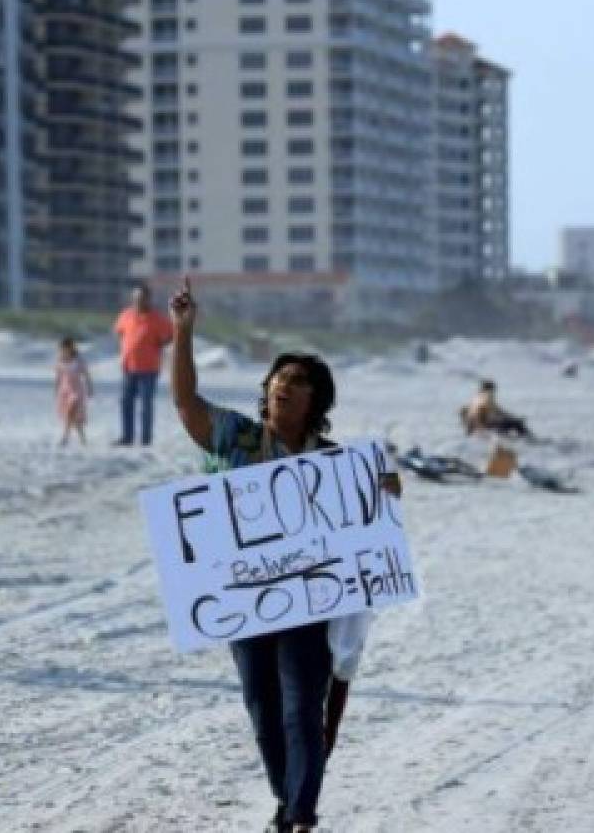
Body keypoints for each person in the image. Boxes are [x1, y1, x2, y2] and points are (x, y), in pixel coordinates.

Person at [168, 278, 396, 833]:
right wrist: (183, 332)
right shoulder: (235, 439)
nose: (284, 388)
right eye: (279, 379)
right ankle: (288, 800)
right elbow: (184, 401)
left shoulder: (332, 460)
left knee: (302, 711)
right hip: (245, 599)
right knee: (264, 712)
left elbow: (377, 500)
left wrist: (383, 487)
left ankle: (300, 815)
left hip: (309, 601)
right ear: (265, 387)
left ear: (316, 400)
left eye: (298, 383)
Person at [113, 283, 173, 446]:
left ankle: (146, 439)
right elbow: (119, 333)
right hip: (128, 367)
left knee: (146, 405)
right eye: (136, 298)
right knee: (125, 402)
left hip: (148, 369)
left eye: (142, 298)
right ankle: (127, 437)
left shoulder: (158, 319)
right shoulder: (125, 315)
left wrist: (157, 344)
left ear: (148, 299)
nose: (138, 301)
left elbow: (169, 337)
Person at [460, 379, 534, 440]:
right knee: (517, 423)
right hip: (486, 426)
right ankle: (529, 439)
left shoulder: (477, 398)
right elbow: (494, 413)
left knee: (512, 422)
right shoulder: (487, 397)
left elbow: (497, 411)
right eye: (493, 390)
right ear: (490, 389)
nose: (494, 392)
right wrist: (513, 419)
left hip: (479, 427)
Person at [54, 336, 94, 446]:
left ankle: (65, 437)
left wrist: (90, 387)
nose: (64, 350)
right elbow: (58, 376)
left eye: (66, 348)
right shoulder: (59, 359)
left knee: (71, 411)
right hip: (65, 390)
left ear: (71, 347)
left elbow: (86, 375)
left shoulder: (79, 359)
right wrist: (56, 389)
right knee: (73, 417)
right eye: (62, 348)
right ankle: (82, 438)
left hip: (77, 390)